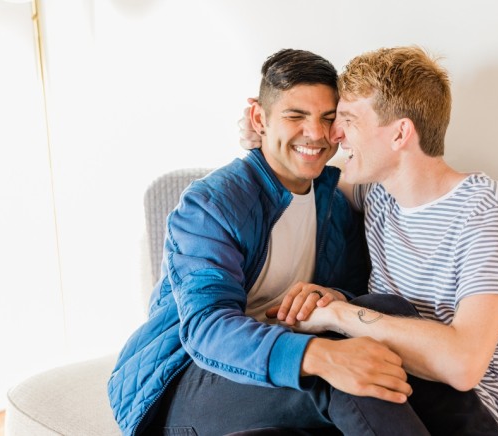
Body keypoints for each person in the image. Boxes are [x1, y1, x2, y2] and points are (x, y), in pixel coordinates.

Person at [240, 46, 498, 436]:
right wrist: (266, 137)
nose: (334, 134)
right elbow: (306, 168)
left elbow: (464, 363)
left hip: (470, 416)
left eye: (348, 119)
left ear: (401, 133)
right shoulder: (378, 194)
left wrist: (339, 314)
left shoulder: (487, 211)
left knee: (374, 309)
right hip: (377, 398)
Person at [108, 48, 419, 436]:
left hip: (275, 362)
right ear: (259, 118)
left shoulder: (334, 205)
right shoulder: (211, 204)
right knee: (335, 376)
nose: (317, 134)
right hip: (185, 378)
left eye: (328, 119)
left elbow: (354, 288)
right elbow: (207, 327)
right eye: (296, 116)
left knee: (390, 316)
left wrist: (332, 297)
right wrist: (320, 355)